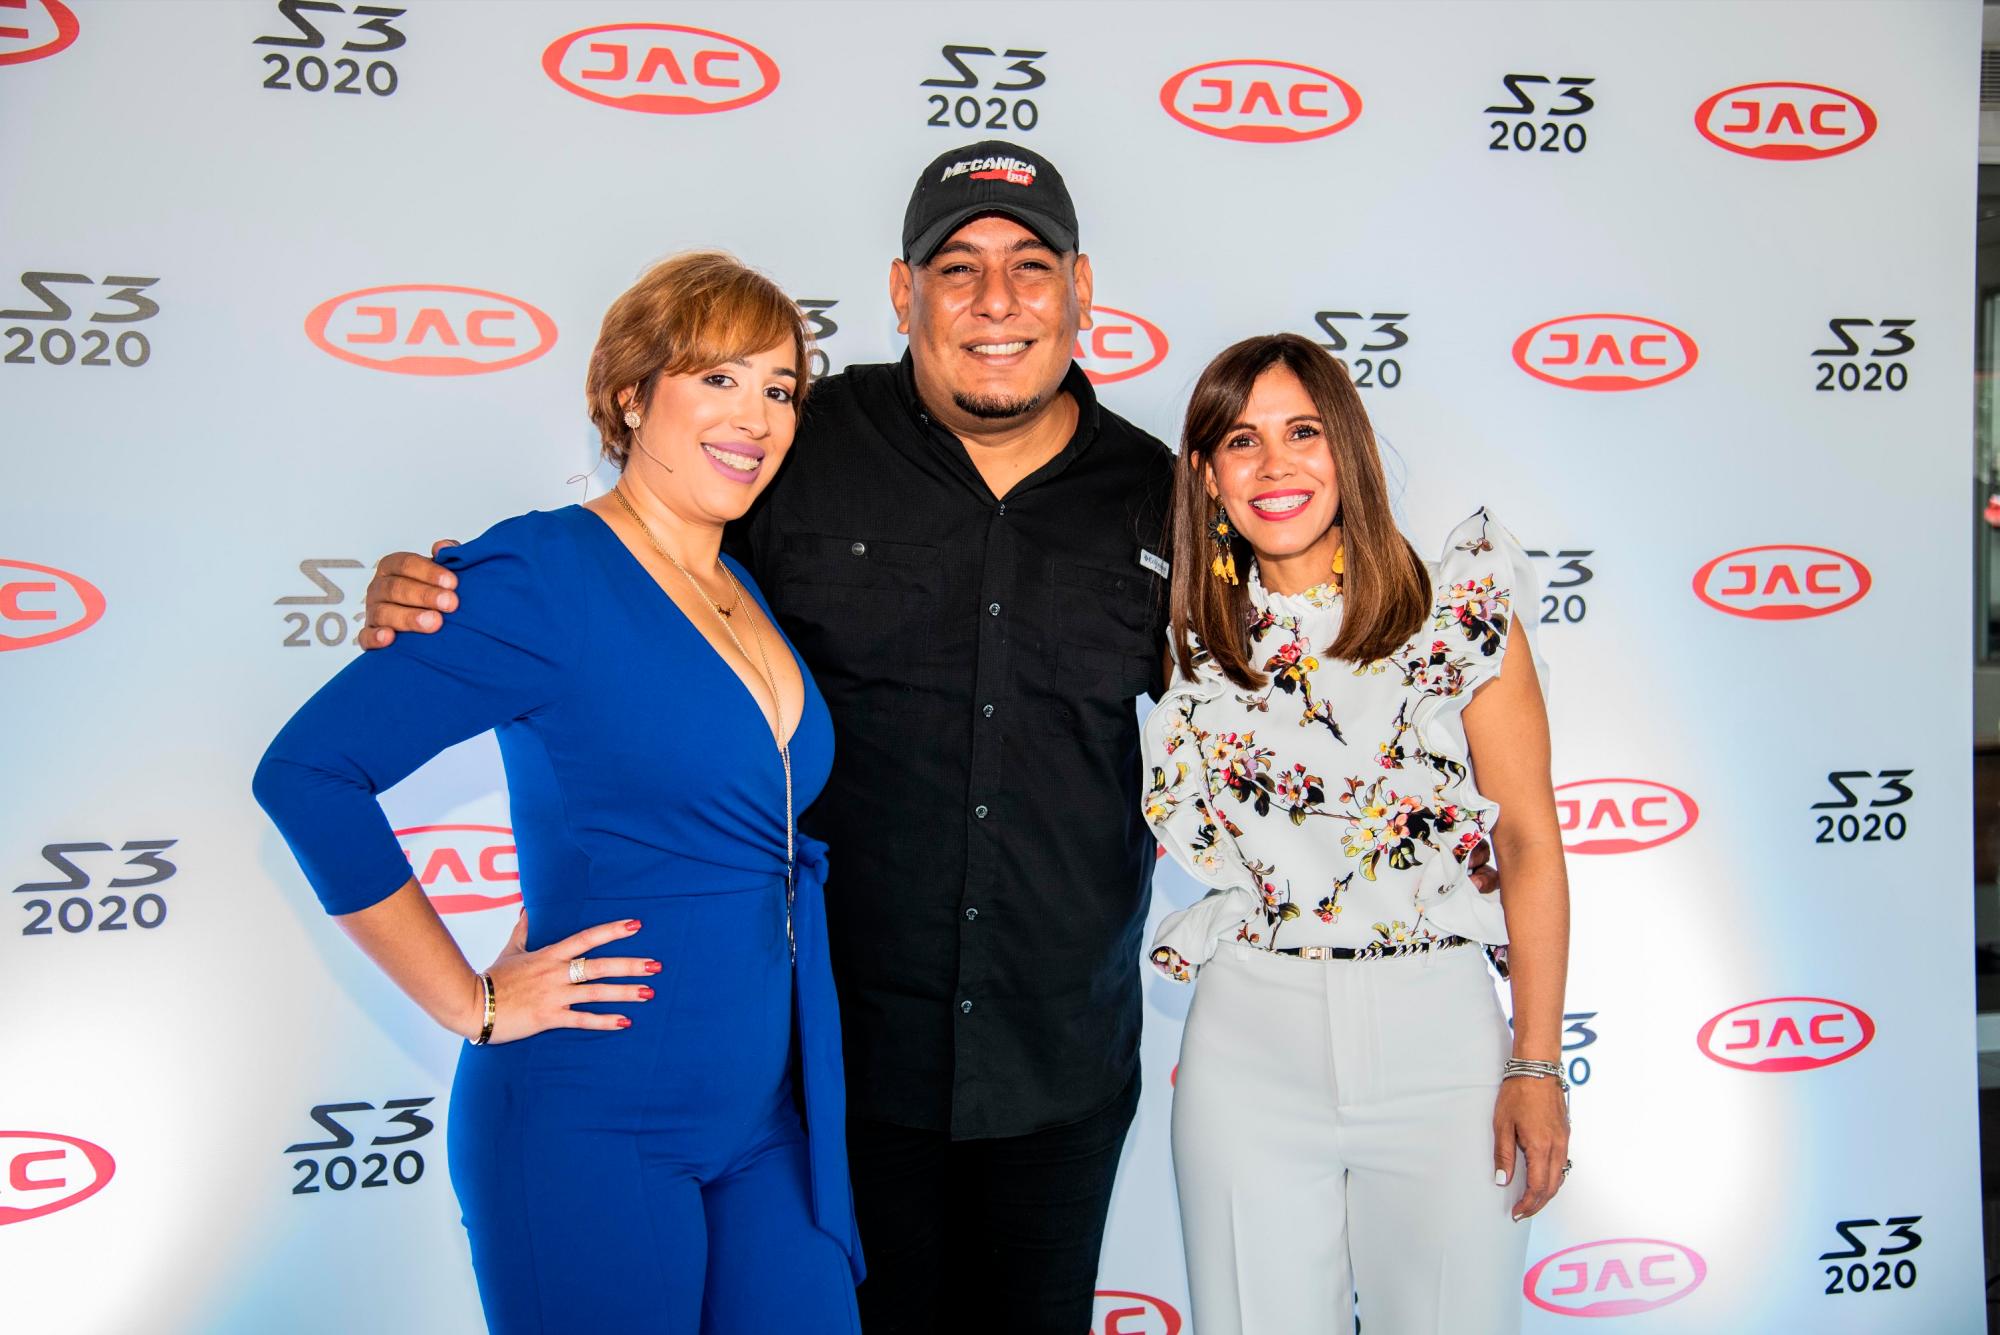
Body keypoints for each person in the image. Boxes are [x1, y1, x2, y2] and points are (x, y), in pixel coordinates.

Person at [361, 140, 1171, 1334]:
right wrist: (436, 597)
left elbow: (1284, 680)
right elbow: (631, 572)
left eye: (1029, 265)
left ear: (1081, 288)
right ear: (902, 294)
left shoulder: (1162, 493)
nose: (994, 303)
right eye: (956, 269)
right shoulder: (795, 444)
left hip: (1059, 1061)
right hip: (827, 1072)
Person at [253, 252, 863, 1334]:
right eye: (716, 377)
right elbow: (307, 774)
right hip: (591, 1121)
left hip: (767, 1123)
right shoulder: (539, 573)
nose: (756, 415)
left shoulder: (739, 584)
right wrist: (469, 1001)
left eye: (778, 389)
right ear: (630, 396)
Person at [1142, 332, 1570, 1334]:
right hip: (1247, 1044)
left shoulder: (1456, 614)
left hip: (1440, 1045)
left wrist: (1535, 1064)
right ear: (1205, 476)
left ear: (1348, 450)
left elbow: (1527, 846)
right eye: (1239, 442)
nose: (1274, 464)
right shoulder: (1185, 635)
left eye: (1301, 431)